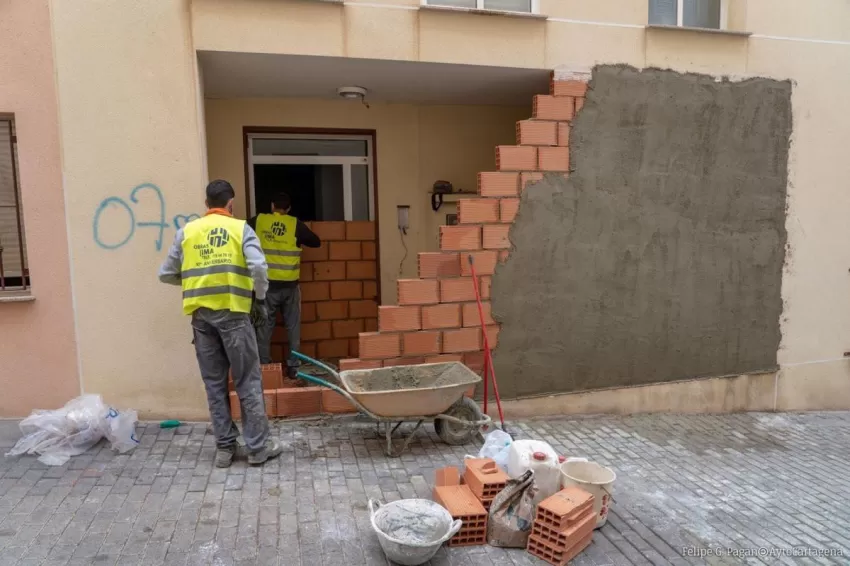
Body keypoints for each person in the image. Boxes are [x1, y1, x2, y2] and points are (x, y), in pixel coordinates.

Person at [158, 179, 282, 468]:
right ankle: (257, 449)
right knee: (247, 381)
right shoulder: (240, 229)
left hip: (201, 319)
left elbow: (165, 274)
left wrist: (191, 281)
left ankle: (225, 450)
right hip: (235, 316)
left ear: (206, 204)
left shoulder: (187, 232)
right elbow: (259, 267)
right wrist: (260, 298)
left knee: (214, 385)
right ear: (231, 204)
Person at [248, 192, 321, 378]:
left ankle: (264, 366)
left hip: (266, 286)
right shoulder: (294, 224)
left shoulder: (259, 221)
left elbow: (240, 233)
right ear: (288, 208)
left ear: (272, 206)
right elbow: (316, 242)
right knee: (293, 327)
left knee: (264, 327)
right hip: (290, 286)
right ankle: (294, 367)